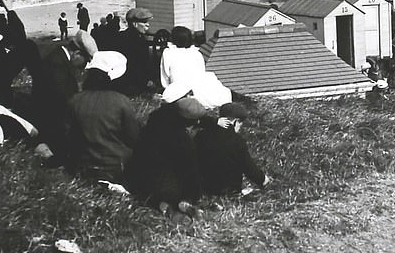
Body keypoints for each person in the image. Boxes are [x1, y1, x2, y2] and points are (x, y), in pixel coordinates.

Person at [125, 82, 211, 213]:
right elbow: (190, 170)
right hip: (166, 187)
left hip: (138, 180)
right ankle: (180, 202)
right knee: (179, 182)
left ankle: (160, 203)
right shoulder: (183, 140)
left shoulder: (155, 122)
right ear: (191, 122)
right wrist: (195, 194)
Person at [65, 51, 140, 183]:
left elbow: (69, 136)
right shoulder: (121, 101)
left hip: (83, 166)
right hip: (116, 167)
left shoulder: (75, 100)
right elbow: (133, 138)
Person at [29, 29, 97, 161]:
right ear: (77, 53)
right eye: (85, 61)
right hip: (51, 125)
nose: (84, 66)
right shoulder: (58, 67)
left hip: (49, 118)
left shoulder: (58, 57)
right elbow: (62, 103)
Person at [194, 102, 269, 196]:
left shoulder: (201, 135)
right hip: (227, 189)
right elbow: (248, 167)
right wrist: (262, 179)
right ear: (235, 121)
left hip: (203, 187)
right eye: (240, 123)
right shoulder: (237, 141)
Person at [111, 8, 154, 96]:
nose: (147, 25)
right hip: (134, 85)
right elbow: (142, 65)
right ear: (135, 24)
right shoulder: (140, 41)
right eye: (144, 22)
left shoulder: (120, 36)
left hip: (120, 82)